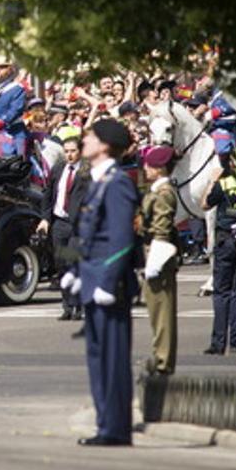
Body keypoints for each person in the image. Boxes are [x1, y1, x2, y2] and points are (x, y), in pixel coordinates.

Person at [64, 118, 140, 447]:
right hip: (93, 278)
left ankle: (115, 428)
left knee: (112, 358)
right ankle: (105, 423)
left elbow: (122, 238)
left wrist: (107, 280)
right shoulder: (97, 181)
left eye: (91, 136)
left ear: (105, 145)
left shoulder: (117, 182)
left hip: (109, 283)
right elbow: (91, 234)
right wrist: (79, 272)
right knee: (97, 357)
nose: (85, 140)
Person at [37, 135, 90, 321]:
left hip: (79, 224)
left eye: (73, 151)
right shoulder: (58, 169)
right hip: (59, 222)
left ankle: (79, 306)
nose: (69, 155)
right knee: (61, 265)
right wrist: (45, 219)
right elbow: (48, 195)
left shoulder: (87, 171)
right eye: (66, 151)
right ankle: (67, 305)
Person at [202, 162, 236, 355]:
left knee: (222, 292)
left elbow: (205, 203)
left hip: (226, 240)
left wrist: (213, 181)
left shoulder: (225, 182)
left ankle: (219, 342)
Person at [138, 145, 179, 374]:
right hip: (153, 252)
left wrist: (154, 261)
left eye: (150, 165)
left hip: (158, 255)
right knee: (156, 313)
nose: (146, 168)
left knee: (162, 313)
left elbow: (161, 229)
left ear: (161, 168)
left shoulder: (164, 193)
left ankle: (163, 362)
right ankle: (160, 356)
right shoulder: (156, 190)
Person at [0, 57, 29, 158]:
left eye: (2, 67)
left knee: (20, 162)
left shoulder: (18, 88)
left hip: (13, 131)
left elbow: (15, 111)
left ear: (11, 69)